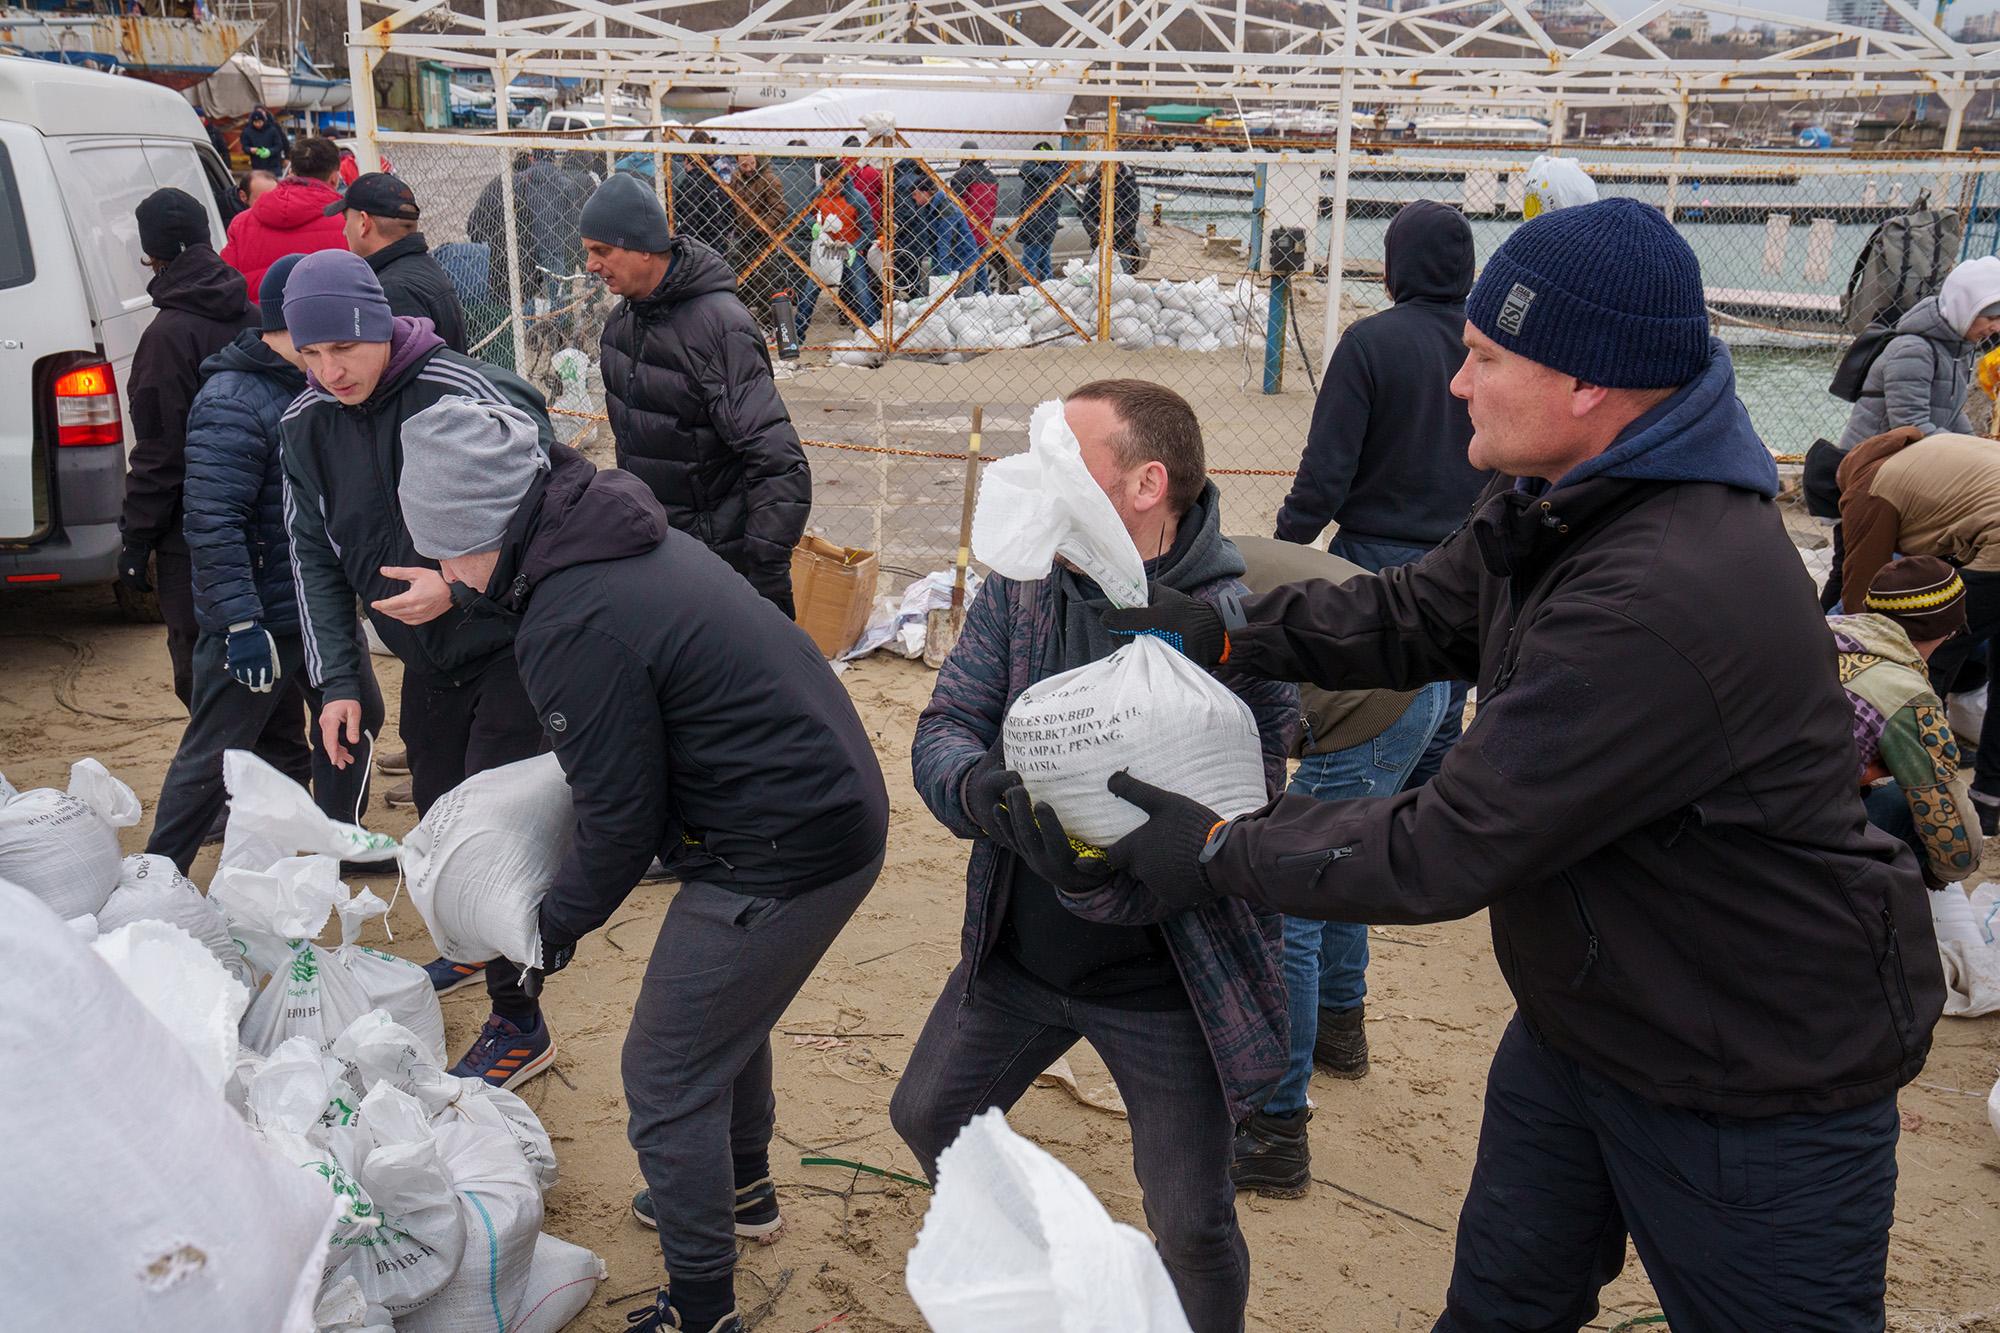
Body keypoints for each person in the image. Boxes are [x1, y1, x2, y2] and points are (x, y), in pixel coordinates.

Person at [1097, 199, 1944, 1330]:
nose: (1457, 384)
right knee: (1498, 1308)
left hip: (1754, 1064)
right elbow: (1413, 612)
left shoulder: (1658, 594)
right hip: (1587, 1014)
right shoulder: (1560, 498)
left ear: (1587, 382)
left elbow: (1443, 845)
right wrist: (1225, 627)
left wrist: (1212, 850)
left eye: (1487, 358)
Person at [391, 405, 887, 1333]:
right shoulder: (601, 532)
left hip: (784, 844)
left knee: (663, 1078)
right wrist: (467, 591)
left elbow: (620, 816)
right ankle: (742, 1191)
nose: (447, 574)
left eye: (449, 555)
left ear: (481, 533)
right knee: (719, 1019)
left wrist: (549, 929)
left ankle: (702, 1311)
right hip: (819, 800)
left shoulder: (575, 618)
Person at [899, 380, 1298, 1333]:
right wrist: (983, 795)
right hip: (1021, 956)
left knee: (1192, 1222)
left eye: (1068, 460)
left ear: (1147, 483)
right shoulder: (1026, 586)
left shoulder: (1231, 616)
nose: (1042, 479)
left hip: (1168, 984)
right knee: (927, 1121)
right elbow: (945, 725)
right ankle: (1059, 1282)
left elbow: (1265, 780)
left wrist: (1179, 847)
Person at [277, 249, 561, 1087]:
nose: (331, 371)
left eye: (346, 349)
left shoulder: (459, 391)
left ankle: (521, 1021)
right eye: (311, 354)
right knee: (436, 817)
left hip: (511, 644)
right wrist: (335, 682)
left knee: (492, 837)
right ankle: (471, 949)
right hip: (425, 661)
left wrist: (458, 585)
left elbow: (551, 501)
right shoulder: (305, 425)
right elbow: (313, 559)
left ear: (379, 325)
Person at [1223, 535, 1448, 1199]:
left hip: (1370, 707)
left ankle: (1276, 1127)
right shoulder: (1216, 552)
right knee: (1339, 869)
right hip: (1417, 688)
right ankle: (1340, 1029)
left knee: (1290, 893)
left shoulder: (1175, 600)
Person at [145, 254, 384, 871]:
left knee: (360, 714)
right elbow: (211, 522)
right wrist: (239, 624)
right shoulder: (231, 399)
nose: (328, 361)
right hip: (259, 614)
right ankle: (157, 867)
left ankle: (340, 841)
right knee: (217, 750)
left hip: (317, 608)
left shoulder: (317, 385)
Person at [1275, 199, 1490, 789]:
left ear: (1395, 266)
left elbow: (1326, 472)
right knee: (1433, 754)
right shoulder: (1490, 350)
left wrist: (1283, 545)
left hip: (1374, 571)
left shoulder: (1370, 342)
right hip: (1469, 571)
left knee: (1355, 746)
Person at [582, 173, 811, 616]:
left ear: (643, 247)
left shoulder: (718, 327)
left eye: (602, 251)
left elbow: (779, 463)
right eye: (589, 251)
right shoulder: (619, 328)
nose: (591, 265)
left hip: (723, 570)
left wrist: (762, 570)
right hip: (658, 553)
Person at [118, 188, 259, 711]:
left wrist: (137, 539)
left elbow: (159, 452)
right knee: (273, 677)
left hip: (190, 538)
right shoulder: (253, 315)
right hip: (261, 520)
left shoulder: (165, 337)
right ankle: (285, 780)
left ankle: (228, 785)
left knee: (204, 678)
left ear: (153, 256)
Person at [1837, 427, 2000, 831]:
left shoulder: (1868, 490)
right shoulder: (1928, 453)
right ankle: (1990, 799)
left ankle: (1928, 780)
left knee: (1933, 653)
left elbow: (1863, 598)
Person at [1830, 555, 1980, 886]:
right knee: (1909, 804)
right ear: (1945, 631)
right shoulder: (1906, 695)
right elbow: (1947, 822)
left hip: (1719, 807)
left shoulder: (1817, 632)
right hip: (1791, 834)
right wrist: (1946, 873)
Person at [1838, 255, 2000, 449]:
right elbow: (1910, 428)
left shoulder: (1957, 352)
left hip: (1909, 459)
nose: (1996, 327)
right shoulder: (1913, 351)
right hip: (1870, 465)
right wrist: (1968, 453)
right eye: (1990, 317)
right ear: (1964, 309)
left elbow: (1953, 415)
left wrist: (1980, 449)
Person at [326, 171, 468, 352]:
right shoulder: (421, 266)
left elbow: (404, 372)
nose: (344, 231)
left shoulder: (392, 291)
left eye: (347, 219)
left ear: (363, 222)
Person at [221, 135, 348, 297]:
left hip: (258, 319)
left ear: (292, 173)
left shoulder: (241, 223)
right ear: (334, 178)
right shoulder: (349, 222)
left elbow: (227, 281)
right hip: (325, 319)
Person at [793, 156, 877, 340]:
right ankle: (796, 336)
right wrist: (813, 225)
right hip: (826, 251)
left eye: (833, 181)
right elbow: (804, 215)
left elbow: (869, 229)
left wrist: (856, 248)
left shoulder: (855, 198)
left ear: (841, 178)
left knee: (861, 290)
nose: (830, 185)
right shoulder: (818, 193)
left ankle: (872, 333)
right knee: (809, 292)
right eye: (826, 181)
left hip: (848, 251)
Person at [727, 151, 788, 328]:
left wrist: (760, 228)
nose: (748, 168)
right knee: (741, 279)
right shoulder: (736, 178)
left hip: (762, 238)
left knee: (764, 280)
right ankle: (743, 321)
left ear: (757, 160)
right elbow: (732, 203)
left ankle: (769, 324)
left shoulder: (769, 180)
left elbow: (779, 209)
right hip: (742, 235)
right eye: (744, 165)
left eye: (751, 163)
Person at [1015, 144, 1070, 283]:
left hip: (1034, 223)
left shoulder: (1039, 175)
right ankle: (1048, 291)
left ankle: (1028, 293)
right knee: (1044, 263)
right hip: (1048, 225)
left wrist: (1033, 158)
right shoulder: (1056, 174)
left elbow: (1024, 170)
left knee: (1029, 263)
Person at [673, 131, 733, 257]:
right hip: (717, 243)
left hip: (701, 248)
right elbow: (729, 209)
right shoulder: (713, 178)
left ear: (685, 160)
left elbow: (689, 221)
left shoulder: (690, 183)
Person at [948, 144, 999, 294]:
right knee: (979, 264)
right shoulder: (991, 176)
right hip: (983, 227)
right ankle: (985, 297)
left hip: (966, 229)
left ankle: (971, 297)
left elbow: (956, 205)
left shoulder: (962, 175)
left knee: (966, 268)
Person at [1079, 161, 1141, 274]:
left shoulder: (1129, 184)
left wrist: (1115, 228)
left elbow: (1133, 214)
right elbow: (1085, 211)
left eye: (1112, 165)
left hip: (1122, 243)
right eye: (1105, 165)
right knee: (1097, 279)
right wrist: (1094, 229)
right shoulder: (1096, 182)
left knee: (1121, 281)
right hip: (1098, 242)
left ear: (1118, 166)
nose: (1108, 169)